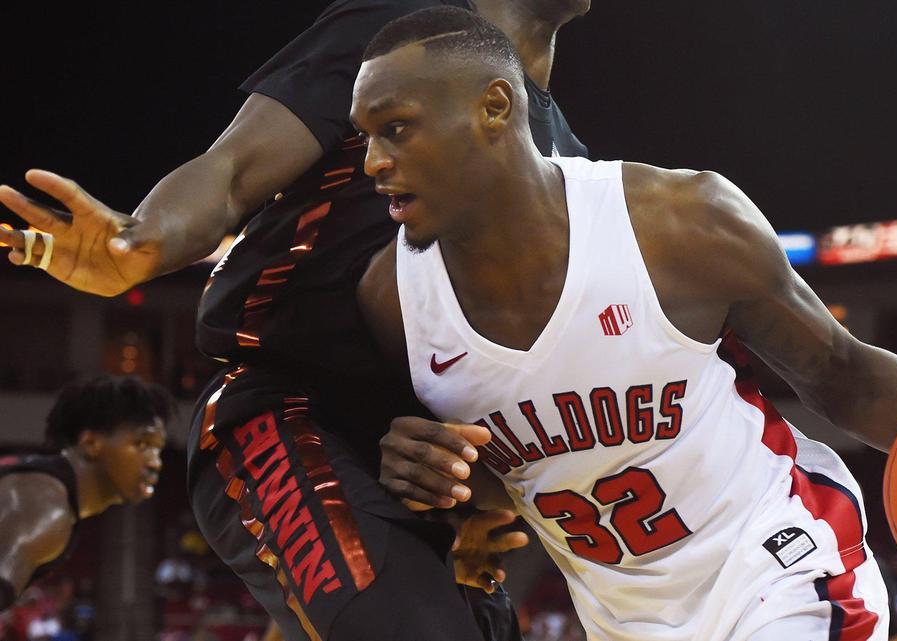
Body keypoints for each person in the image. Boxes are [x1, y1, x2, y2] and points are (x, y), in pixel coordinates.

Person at [353, 9, 897, 641]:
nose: (371, 162)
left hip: (780, 567)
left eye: (395, 129)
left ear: (495, 107)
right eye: (365, 136)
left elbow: (840, 372)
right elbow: (508, 482)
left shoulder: (678, 225)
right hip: (620, 619)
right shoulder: (394, 301)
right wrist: (432, 483)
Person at [0, 2, 587, 639]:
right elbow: (232, 171)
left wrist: (483, 499)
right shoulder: (399, 42)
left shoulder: (571, 160)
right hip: (289, 406)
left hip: (422, 461)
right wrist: (145, 240)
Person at [0, 375, 170, 612]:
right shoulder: (47, 508)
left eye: (158, 449)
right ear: (90, 443)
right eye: (142, 444)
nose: (156, 463)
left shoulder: (46, 492)